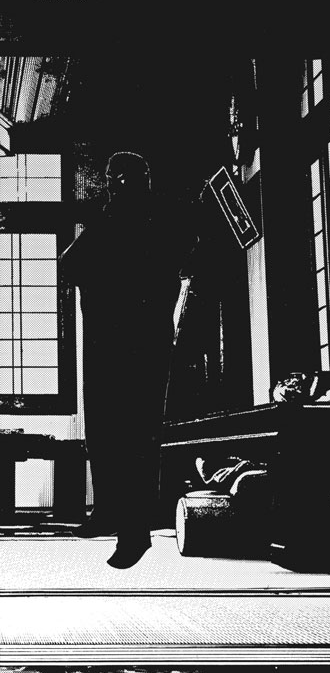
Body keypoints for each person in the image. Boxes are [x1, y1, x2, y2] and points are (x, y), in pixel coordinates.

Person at [60, 152, 186, 568]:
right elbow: (69, 265)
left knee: (135, 436)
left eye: (119, 178)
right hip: (111, 343)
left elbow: (174, 268)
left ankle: (135, 531)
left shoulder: (152, 220)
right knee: (104, 431)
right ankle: (109, 512)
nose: (114, 185)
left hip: (136, 345)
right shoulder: (113, 220)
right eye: (112, 178)